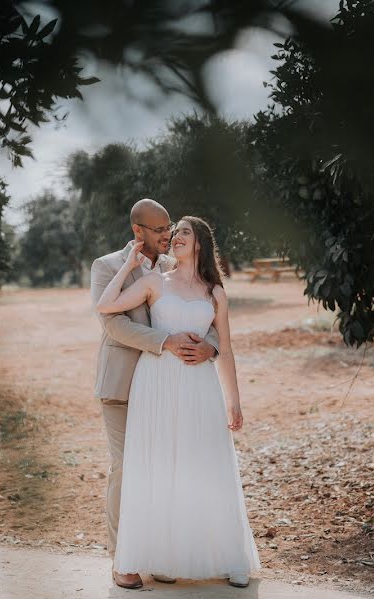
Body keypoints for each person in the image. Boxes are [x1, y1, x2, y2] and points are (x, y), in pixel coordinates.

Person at [96, 215, 260, 588]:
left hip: (200, 385)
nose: (175, 236)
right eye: (174, 232)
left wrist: (234, 401)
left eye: (184, 231)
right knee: (163, 466)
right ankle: (164, 556)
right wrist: (129, 265)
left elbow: (226, 346)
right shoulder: (156, 281)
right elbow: (107, 308)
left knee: (208, 462)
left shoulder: (215, 291)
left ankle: (230, 556)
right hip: (156, 382)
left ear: (200, 242)